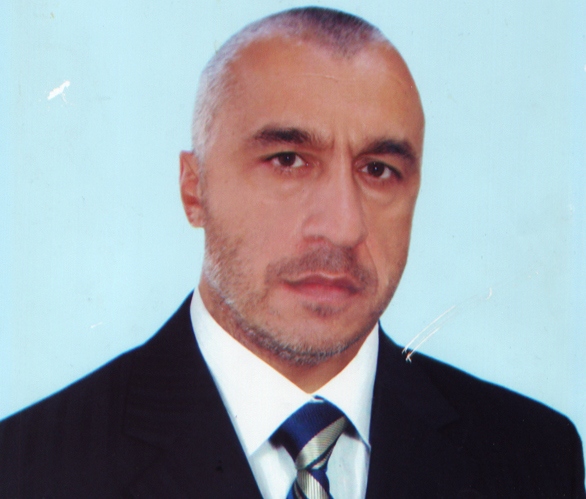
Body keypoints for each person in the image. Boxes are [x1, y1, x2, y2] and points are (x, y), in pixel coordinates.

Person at [0, 7, 584, 498]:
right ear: (194, 189)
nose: (343, 227)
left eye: (379, 170)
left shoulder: (535, 457)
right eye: (288, 161)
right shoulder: (30, 468)